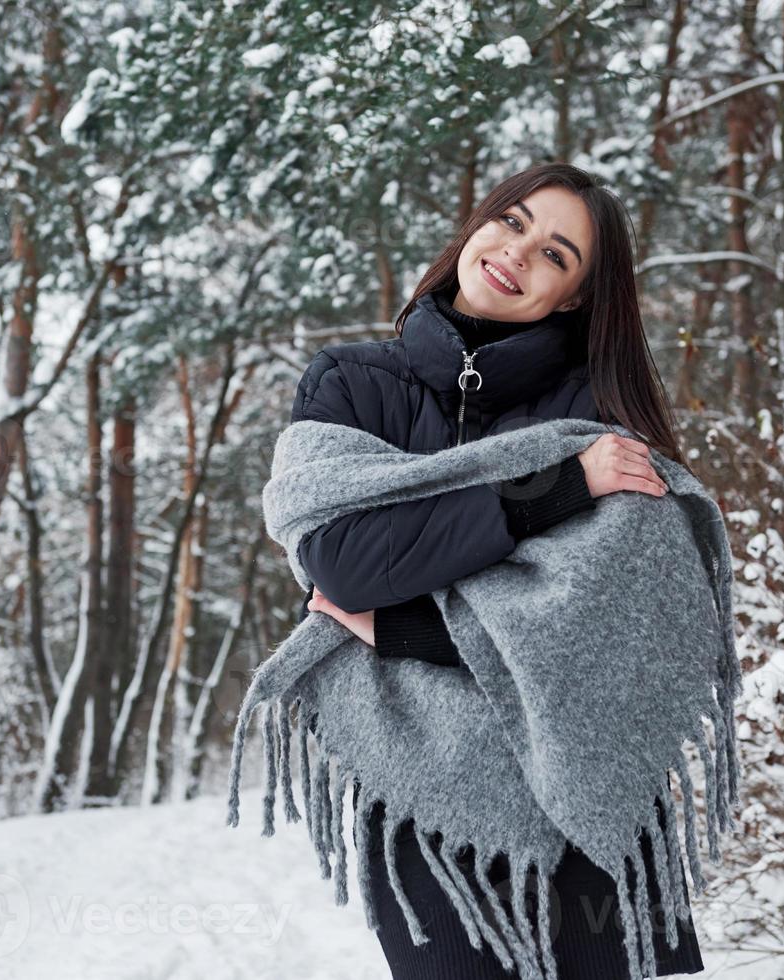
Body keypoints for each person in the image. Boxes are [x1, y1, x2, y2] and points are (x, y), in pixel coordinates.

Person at [287, 162, 705, 979]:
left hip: (590, 780)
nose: (516, 253)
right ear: (475, 225)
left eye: (555, 254)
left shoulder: (601, 418)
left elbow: (605, 633)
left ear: (575, 297)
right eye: (511, 222)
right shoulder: (349, 384)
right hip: (419, 788)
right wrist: (550, 493)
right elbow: (343, 563)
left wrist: (399, 626)